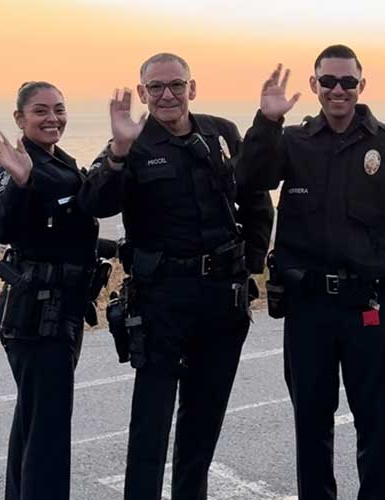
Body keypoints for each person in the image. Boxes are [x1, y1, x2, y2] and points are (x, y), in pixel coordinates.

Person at [238, 45, 385, 500]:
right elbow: (250, 178)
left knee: (375, 427)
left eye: (348, 81)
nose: (338, 90)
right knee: (311, 426)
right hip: (309, 310)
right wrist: (267, 121)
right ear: (314, 85)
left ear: (361, 86)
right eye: (328, 81)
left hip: (371, 308)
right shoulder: (292, 142)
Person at [76, 53, 273, 500]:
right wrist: (118, 153)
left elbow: (256, 198)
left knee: (203, 421)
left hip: (221, 299)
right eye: (156, 87)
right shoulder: (130, 143)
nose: (167, 95)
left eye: (176, 85)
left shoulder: (221, 133)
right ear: (142, 92)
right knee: (152, 422)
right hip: (161, 300)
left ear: (192, 88)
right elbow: (94, 203)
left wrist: (251, 262)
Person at [0, 81, 101, 500]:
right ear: (20, 118)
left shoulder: (60, 161)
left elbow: (63, 229)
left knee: (34, 422)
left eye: (59, 109)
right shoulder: (16, 166)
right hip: (36, 315)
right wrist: (21, 182)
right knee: (48, 431)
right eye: (40, 111)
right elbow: (3, 228)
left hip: (62, 308)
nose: (52, 118)